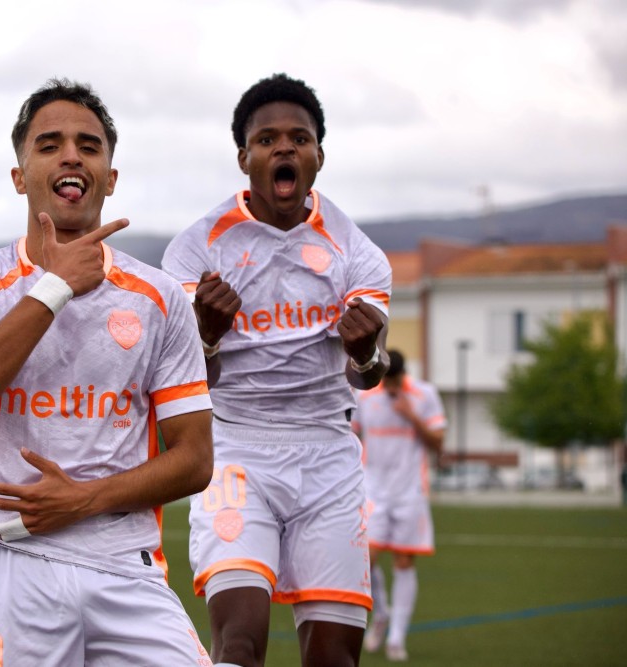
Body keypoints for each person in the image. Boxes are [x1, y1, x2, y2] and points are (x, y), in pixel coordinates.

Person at [0, 78, 215, 667]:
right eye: (49, 144)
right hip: (5, 560)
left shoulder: (159, 297)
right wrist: (55, 286)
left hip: (125, 567)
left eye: (89, 145)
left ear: (110, 177)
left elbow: (194, 459)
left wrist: (81, 500)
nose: (71, 156)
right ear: (19, 176)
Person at [161, 73, 392, 667]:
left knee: (335, 659)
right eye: (267, 140)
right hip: (236, 452)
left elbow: (369, 376)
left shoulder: (357, 252)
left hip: (330, 456)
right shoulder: (196, 250)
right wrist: (206, 334)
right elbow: (188, 382)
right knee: (239, 645)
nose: (284, 148)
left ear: (318, 156)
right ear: (245, 159)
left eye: (299, 138)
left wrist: (366, 353)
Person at [353, 349, 445, 662]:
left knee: (404, 561)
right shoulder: (365, 395)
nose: (391, 387)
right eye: (387, 381)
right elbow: (351, 435)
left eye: (395, 381)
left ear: (403, 376)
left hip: (410, 491)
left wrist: (411, 416)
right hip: (372, 490)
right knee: (366, 559)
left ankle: (397, 637)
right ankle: (381, 614)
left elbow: (439, 443)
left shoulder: (424, 394)